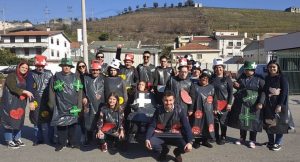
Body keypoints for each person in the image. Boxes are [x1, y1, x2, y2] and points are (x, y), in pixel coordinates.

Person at [145, 91, 193, 162]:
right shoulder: (158, 110)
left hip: (176, 134)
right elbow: (152, 125)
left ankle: (177, 152)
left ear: (174, 100)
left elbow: (187, 126)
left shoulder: (180, 110)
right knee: (151, 143)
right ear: (162, 100)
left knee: (186, 147)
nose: (168, 103)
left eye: (170, 100)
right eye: (166, 100)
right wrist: (147, 139)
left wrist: (190, 142)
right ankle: (164, 151)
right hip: (162, 133)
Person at [227, 61, 265, 149]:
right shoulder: (241, 77)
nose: (248, 71)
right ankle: (242, 138)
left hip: (254, 104)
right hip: (242, 103)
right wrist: (236, 85)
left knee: (253, 122)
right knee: (243, 121)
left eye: (250, 70)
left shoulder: (259, 78)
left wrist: (261, 102)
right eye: (246, 69)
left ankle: (252, 140)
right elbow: (240, 88)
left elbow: (264, 91)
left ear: (254, 70)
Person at [48, 58, 83, 151]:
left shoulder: (76, 77)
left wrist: (79, 105)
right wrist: (52, 104)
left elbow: (80, 92)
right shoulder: (55, 77)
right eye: (64, 66)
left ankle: (72, 143)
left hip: (74, 106)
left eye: (68, 66)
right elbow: (51, 91)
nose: (66, 67)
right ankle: (61, 143)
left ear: (71, 67)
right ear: (62, 66)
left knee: (73, 125)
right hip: (60, 105)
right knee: (61, 125)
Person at [0, 61, 34, 149]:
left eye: (26, 68)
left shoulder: (24, 77)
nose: (24, 69)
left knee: (19, 120)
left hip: (20, 102)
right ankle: (9, 140)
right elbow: (13, 87)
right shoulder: (12, 75)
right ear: (19, 67)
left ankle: (17, 138)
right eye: (23, 67)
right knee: (9, 121)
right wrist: (25, 91)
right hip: (9, 102)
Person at [263, 60, 294, 151]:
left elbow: (284, 92)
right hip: (269, 105)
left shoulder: (282, 78)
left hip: (279, 105)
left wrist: (279, 105)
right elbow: (264, 90)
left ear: (277, 68)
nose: (272, 68)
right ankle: (271, 142)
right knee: (269, 123)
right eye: (270, 67)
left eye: (274, 67)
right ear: (268, 68)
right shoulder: (267, 78)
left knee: (279, 125)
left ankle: (278, 143)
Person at [29, 55, 55, 146]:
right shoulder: (31, 74)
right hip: (36, 100)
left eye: (42, 66)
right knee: (36, 121)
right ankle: (39, 138)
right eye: (38, 66)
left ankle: (51, 138)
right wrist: (31, 101)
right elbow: (29, 88)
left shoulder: (49, 73)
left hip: (47, 100)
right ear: (35, 65)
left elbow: (53, 87)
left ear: (44, 66)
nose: (40, 68)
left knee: (50, 121)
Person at [189, 70, 217, 149]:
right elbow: (192, 98)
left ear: (208, 79)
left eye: (206, 78)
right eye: (202, 78)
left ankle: (205, 141)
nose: (204, 80)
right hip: (197, 110)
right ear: (199, 79)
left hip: (208, 110)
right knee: (197, 125)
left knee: (207, 124)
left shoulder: (211, 87)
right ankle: (197, 141)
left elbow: (215, 98)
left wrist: (215, 108)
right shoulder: (195, 86)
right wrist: (191, 109)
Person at [82, 61, 105, 146]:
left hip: (100, 104)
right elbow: (82, 90)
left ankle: (100, 140)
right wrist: (83, 97)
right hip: (89, 103)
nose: (95, 71)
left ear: (100, 70)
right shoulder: (86, 78)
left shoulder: (103, 79)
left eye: (97, 70)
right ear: (91, 70)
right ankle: (89, 139)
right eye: (93, 70)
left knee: (100, 121)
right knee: (89, 121)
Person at [210, 59, 233, 145]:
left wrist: (229, 103)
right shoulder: (211, 79)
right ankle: (215, 136)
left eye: (220, 67)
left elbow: (231, 92)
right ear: (214, 69)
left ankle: (223, 136)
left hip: (224, 104)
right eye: (216, 68)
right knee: (215, 121)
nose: (218, 69)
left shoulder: (227, 79)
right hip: (213, 104)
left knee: (223, 121)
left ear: (223, 68)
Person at [75, 61, 88, 145]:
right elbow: (79, 89)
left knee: (89, 118)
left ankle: (90, 135)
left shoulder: (89, 75)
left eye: (83, 66)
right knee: (82, 118)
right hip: (80, 100)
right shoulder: (75, 77)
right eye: (80, 67)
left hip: (90, 100)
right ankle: (84, 134)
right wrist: (83, 97)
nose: (82, 68)